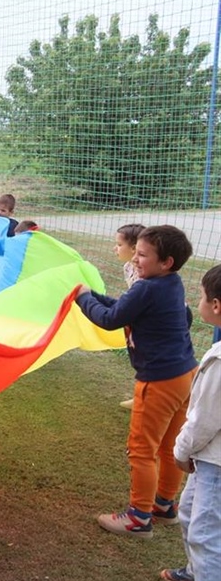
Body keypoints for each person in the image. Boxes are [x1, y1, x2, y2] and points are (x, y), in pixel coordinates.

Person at [74, 225, 199, 537]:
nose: (135, 259)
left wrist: (83, 298)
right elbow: (125, 309)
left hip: (159, 381)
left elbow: (110, 318)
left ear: (166, 262)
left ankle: (138, 518)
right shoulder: (170, 282)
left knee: (142, 449)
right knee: (169, 445)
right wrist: (93, 296)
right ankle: (164, 505)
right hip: (186, 375)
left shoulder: (145, 288)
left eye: (142, 255)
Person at [161, 264, 221, 581]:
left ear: (216, 305)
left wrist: (181, 451)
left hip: (214, 461)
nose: (197, 302)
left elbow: (203, 420)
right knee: (188, 513)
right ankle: (198, 572)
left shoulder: (219, 363)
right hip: (209, 458)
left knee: (206, 532)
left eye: (199, 296)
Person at [114, 223, 146, 409]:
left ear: (135, 248)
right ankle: (140, 395)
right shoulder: (128, 267)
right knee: (139, 358)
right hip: (140, 319)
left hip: (152, 321)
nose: (115, 249)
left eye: (119, 245)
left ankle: (146, 399)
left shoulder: (146, 270)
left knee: (149, 360)